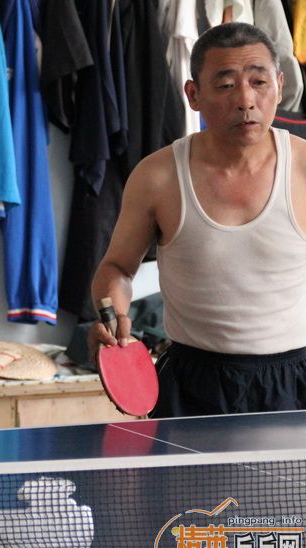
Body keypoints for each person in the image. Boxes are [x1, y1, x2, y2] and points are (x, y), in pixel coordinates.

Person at [88, 22, 306, 418]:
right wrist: (112, 316)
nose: (245, 100)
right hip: (192, 383)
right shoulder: (157, 176)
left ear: (279, 84)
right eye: (225, 85)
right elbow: (117, 267)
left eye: (259, 82)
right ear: (193, 95)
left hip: (295, 380)